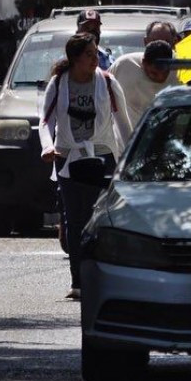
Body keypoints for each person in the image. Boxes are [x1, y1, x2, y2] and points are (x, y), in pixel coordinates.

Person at [39, 33, 132, 299]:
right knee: (74, 220)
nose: (95, 59)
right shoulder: (59, 83)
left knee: (100, 218)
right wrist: (47, 146)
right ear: (76, 58)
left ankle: (102, 275)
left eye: (96, 54)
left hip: (102, 156)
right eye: (90, 55)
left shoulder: (107, 82)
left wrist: (130, 159)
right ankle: (78, 280)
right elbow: (45, 121)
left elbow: (123, 124)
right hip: (68, 158)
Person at [109, 41, 176, 125]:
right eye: (154, 73)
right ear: (143, 62)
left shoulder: (180, 72)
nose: (161, 78)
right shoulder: (123, 66)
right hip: (125, 134)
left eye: (166, 72)